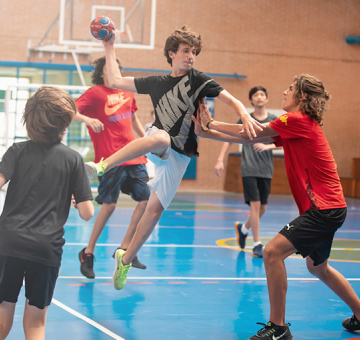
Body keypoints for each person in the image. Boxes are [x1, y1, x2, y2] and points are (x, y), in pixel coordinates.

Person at [192, 74, 360, 340]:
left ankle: (278, 327)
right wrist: (206, 131)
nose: (284, 91)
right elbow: (249, 139)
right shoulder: (298, 125)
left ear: (302, 97)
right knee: (319, 269)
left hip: (322, 209)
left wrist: (210, 123)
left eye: (291, 89)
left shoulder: (296, 120)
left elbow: (254, 130)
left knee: (271, 252)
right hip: (329, 208)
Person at [100, 26, 264, 290]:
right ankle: (103, 164)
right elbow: (116, 81)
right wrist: (109, 46)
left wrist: (244, 114)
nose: (191, 56)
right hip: (160, 139)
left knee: (153, 213)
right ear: (171, 53)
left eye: (194, 52)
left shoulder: (198, 79)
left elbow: (230, 99)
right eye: (186, 51)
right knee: (159, 138)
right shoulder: (156, 83)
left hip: (181, 155)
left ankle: (125, 259)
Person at [0, 86, 94, 340]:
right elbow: (88, 213)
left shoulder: (16, 151)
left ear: (28, 119)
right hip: (46, 249)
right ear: (66, 122)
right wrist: (79, 200)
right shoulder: (73, 160)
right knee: (36, 324)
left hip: (8, 244)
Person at [73, 56, 150, 278]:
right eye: (109, 69)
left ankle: (125, 248)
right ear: (101, 73)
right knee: (109, 206)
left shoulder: (127, 91)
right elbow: (70, 111)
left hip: (134, 156)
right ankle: (88, 253)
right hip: (110, 160)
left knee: (147, 200)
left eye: (116, 68)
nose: (113, 72)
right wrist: (86, 120)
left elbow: (134, 118)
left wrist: (146, 141)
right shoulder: (95, 93)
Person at [214, 86, 278, 257]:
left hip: (266, 169)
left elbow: (283, 140)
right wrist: (220, 159)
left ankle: (243, 229)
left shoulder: (273, 120)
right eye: (255, 95)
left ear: (266, 99)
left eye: (262, 95)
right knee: (255, 206)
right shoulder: (245, 118)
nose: (259, 97)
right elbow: (229, 139)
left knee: (262, 208)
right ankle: (257, 245)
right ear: (251, 100)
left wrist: (267, 146)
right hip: (248, 168)